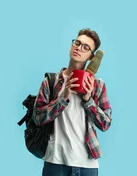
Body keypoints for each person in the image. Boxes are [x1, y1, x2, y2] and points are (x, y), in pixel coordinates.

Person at [33, 28, 112, 176]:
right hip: (55, 163)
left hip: (87, 165)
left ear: (91, 56)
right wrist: (63, 97)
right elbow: (37, 118)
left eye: (86, 47)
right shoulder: (51, 81)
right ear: (71, 46)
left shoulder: (97, 85)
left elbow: (105, 124)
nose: (79, 48)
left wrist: (88, 100)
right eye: (77, 43)